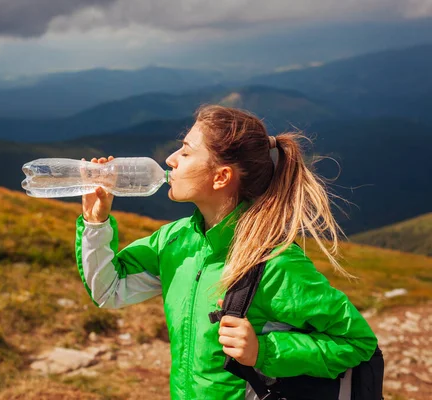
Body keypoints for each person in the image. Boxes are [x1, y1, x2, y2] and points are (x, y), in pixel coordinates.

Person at [75, 105, 378, 400]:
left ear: (221, 177)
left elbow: (356, 342)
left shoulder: (274, 263)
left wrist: (264, 350)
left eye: (185, 151)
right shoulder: (173, 241)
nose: (170, 159)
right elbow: (109, 289)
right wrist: (95, 223)